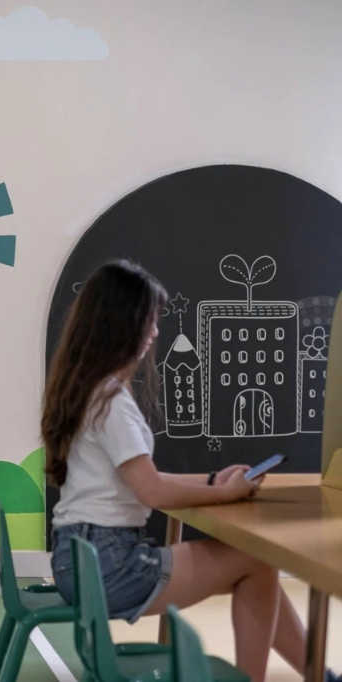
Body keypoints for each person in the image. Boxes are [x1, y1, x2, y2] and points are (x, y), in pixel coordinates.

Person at [42, 259, 336, 682]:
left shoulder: (89, 391)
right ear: (123, 324)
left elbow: (142, 478)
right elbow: (152, 491)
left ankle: (318, 674)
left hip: (80, 559)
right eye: (150, 320)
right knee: (256, 562)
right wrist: (224, 493)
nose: (155, 332)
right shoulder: (111, 401)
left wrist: (214, 480)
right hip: (112, 564)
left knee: (255, 566)